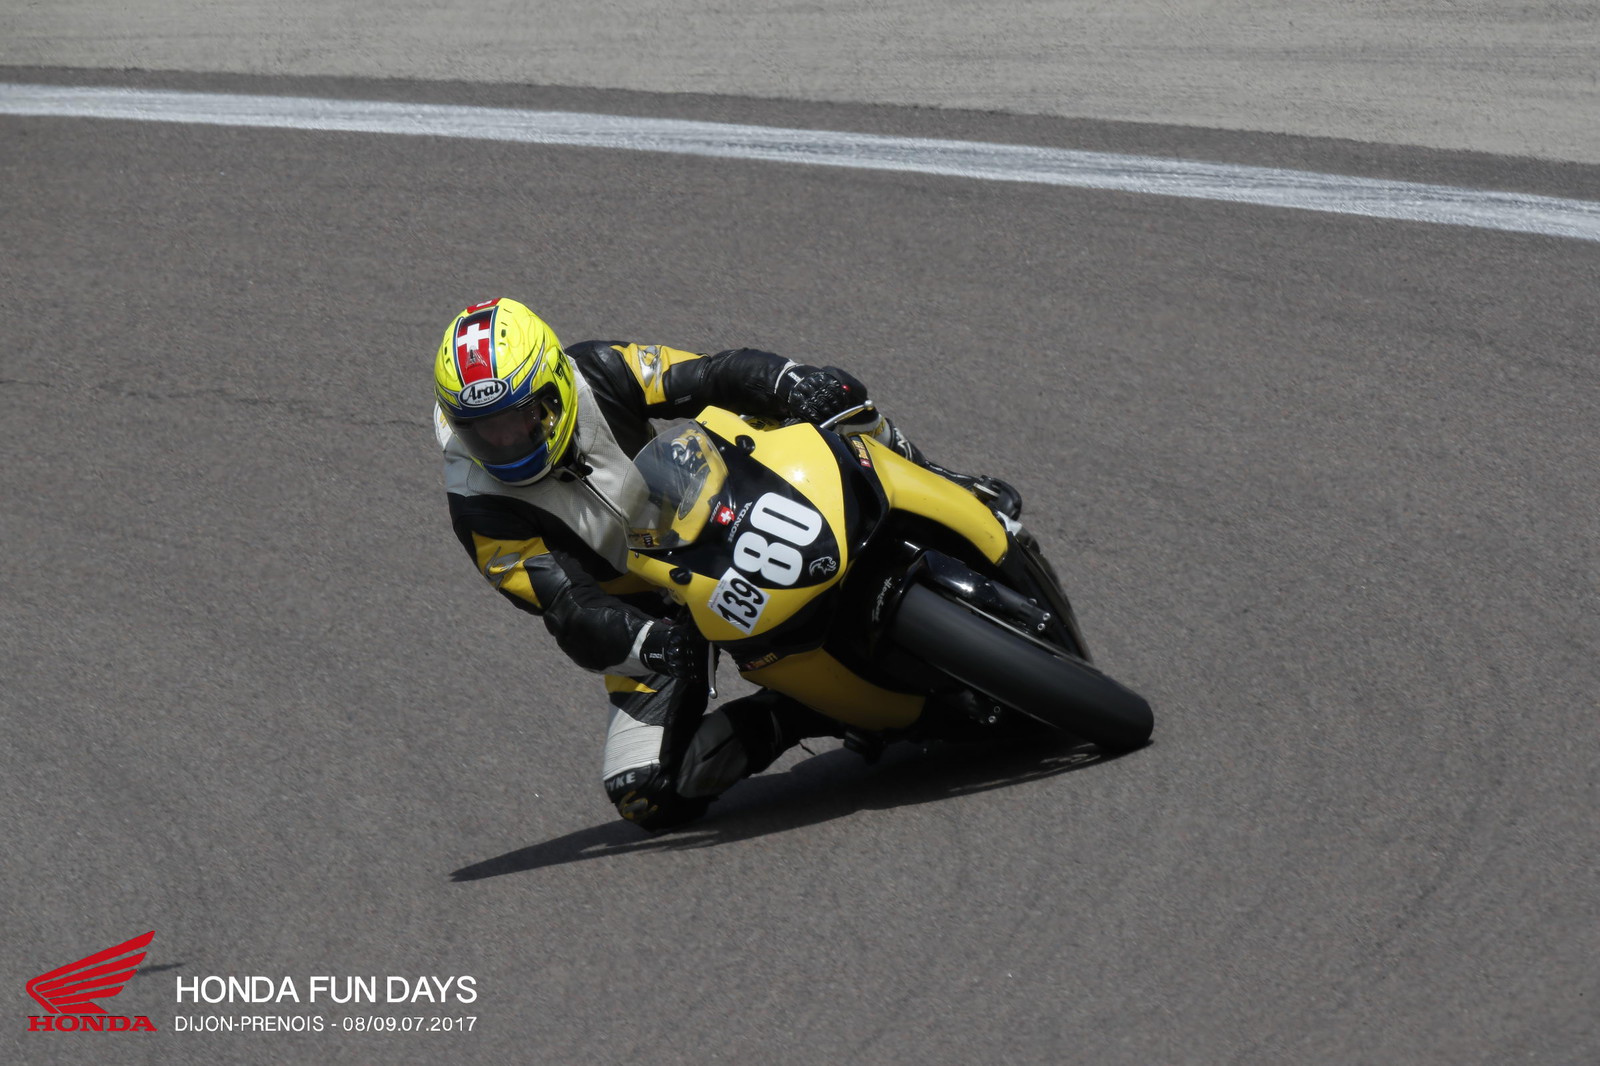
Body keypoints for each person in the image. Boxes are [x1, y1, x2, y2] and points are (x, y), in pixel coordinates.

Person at [434, 297, 1019, 830]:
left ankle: (947, 482)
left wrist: (790, 382)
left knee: (834, 401)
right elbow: (568, 607)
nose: (506, 441)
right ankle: (805, 712)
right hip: (650, 614)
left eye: (520, 417)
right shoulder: (478, 507)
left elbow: (708, 375)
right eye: (484, 430)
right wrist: (654, 644)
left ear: (556, 385)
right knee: (645, 793)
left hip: (711, 505)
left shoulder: (601, 369)